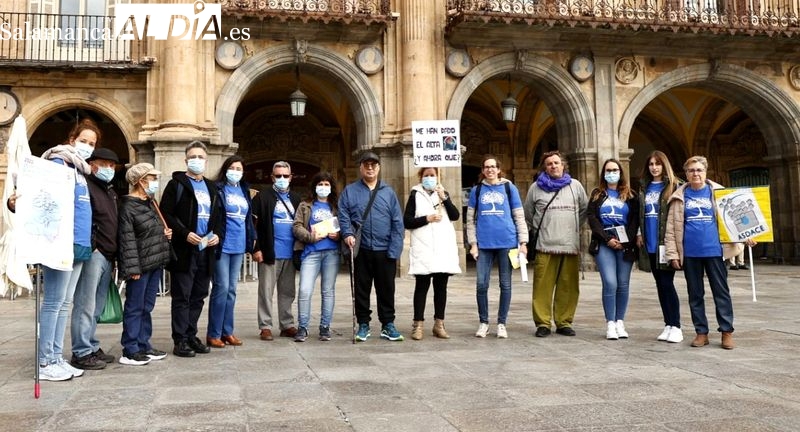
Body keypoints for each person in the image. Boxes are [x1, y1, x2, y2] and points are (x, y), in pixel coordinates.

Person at [33, 119, 100, 381]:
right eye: (84, 141)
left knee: (64, 304)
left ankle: (56, 357)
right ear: (72, 140)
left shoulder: (80, 171)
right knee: (53, 302)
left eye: (92, 143)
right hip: (61, 243)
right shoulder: (58, 163)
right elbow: (44, 200)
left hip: (80, 244)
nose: (87, 146)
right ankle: (44, 361)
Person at [665, 155, 755, 350]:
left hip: (715, 251)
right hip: (690, 253)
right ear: (686, 174)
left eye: (698, 170)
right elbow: (671, 229)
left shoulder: (720, 193)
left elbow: (736, 218)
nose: (695, 173)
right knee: (695, 294)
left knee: (721, 292)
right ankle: (701, 332)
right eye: (691, 170)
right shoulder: (678, 197)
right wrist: (672, 254)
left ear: (705, 172)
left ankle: (726, 332)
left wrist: (746, 235)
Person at [160, 141, 223, 358]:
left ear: (206, 160)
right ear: (186, 160)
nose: (197, 160)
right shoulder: (176, 184)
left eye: (201, 157)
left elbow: (219, 216)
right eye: (192, 157)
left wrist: (217, 234)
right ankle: (180, 339)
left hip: (206, 249)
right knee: (182, 295)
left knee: (198, 295)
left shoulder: (212, 187)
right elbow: (166, 213)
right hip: (184, 249)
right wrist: (184, 232)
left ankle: (191, 334)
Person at [338, 151, 405, 342]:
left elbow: (397, 223)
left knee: (386, 289)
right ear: (360, 167)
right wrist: (348, 234)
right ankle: (363, 324)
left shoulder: (388, 192)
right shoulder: (350, 191)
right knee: (361, 289)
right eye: (366, 165)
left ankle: (388, 324)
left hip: (385, 250)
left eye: (373, 165)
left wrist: (394, 250)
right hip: (361, 249)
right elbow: (343, 216)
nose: (370, 168)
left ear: (379, 168)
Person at [523, 150, 588, 338]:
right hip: (545, 245)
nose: (553, 166)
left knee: (568, 286)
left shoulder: (575, 186)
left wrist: (572, 227)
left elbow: (584, 210)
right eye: (549, 164)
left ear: (563, 165)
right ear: (545, 167)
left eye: (556, 163)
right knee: (542, 287)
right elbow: (528, 213)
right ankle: (543, 323)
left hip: (570, 245)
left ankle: (564, 322)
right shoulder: (536, 187)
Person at [466, 155, 528, 339]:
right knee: (481, 284)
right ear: (483, 170)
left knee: (505, 284)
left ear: (499, 169)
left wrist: (523, 242)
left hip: (507, 243)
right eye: (486, 167)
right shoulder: (476, 191)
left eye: (493, 167)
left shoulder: (510, 188)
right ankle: (483, 322)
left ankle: (502, 323)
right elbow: (470, 220)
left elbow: (519, 216)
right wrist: (473, 244)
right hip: (484, 244)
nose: (490, 170)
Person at [117, 163, 173, 365]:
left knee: (146, 306)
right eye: (152, 178)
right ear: (141, 181)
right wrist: (132, 269)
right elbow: (127, 239)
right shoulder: (127, 206)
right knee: (134, 306)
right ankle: (130, 348)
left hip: (154, 262)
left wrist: (164, 233)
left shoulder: (150, 202)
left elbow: (152, 229)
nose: (155, 182)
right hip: (139, 265)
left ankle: (143, 344)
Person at [69, 147, 120, 370]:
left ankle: (90, 344)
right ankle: (80, 351)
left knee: (97, 306)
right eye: (103, 164)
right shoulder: (86, 186)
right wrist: (94, 246)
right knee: (85, 304)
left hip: (108, 254)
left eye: (112, 166)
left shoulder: (108, 190)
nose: (108, 169)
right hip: (94, 253)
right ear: (93, 164)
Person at [404, 167, 461, 340]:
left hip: (443, 246)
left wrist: (444, 198)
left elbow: (455, 215)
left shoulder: (443, 193)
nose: (429, 178)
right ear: (421, 177)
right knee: (421, 287)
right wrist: (426, 218)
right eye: (426, 175)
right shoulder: (415, 194)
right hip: (424, 246)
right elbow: (407, 221)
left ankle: (439, 324)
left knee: (441, 287)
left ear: (438, 177)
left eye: (432, 175)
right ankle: (418, 324)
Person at [206, 156, 256, 348]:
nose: (235, 171)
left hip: (239, 244)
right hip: (222, 244)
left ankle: (228, 331)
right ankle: (214, 333)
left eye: (239, 169)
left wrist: (251, 242)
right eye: (232, 168)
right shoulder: (218, 188)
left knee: (232, 290)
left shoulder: (243, 190)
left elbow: (248, 219)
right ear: (226, 169)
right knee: (222, 287)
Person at [588, 159, 640, 340]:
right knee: (610, 282)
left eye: (615, 170)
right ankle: (610, 322)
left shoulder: (631, 195)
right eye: (608, 170)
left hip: (625, 242)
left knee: (623, 284)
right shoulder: (597, 194)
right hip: (604, 242)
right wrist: (608, 238)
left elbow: (634, 220)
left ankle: (620, 321)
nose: (612, 173)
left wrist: (626, 241)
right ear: (603, 173)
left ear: (621, 172)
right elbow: (592, 218)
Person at [636, 151, 684, 343]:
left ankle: (677, 326)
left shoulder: (675, 186)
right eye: (651, 164)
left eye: (658, 164)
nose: (654, 167)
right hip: (650, 243)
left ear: (664, 166)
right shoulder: (644, 187)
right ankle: (668, 324)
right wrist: (639, 233)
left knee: (667, 284)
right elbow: (641, 213)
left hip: (666, 243)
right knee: (660, 285)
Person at [252, 161, 301, 340]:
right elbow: (252, 225)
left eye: (285, 176)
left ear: (291, 177)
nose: (282, 179)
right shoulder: (261, 197)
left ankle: (287, 324)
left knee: (288, 291)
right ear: (272, 177)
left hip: (291, 252)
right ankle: (265, 326)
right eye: (278, 176)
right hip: (269, 252)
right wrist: (255, 248)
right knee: (265, 291)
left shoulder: (296, 199)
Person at [292, 172, 341, 342]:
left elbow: (345, 225)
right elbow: (296, 226)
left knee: (328, 291)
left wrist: (339, 235)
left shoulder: (336, 206)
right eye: (321, 184)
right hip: (310, 252)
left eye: (327, 184)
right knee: (305, 290)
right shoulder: (305, 205)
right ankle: (303, 327)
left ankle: (325, 327)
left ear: (331, 187)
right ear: (315, 186)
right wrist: (310, 237)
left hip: (331, 253)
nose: (323, 187)